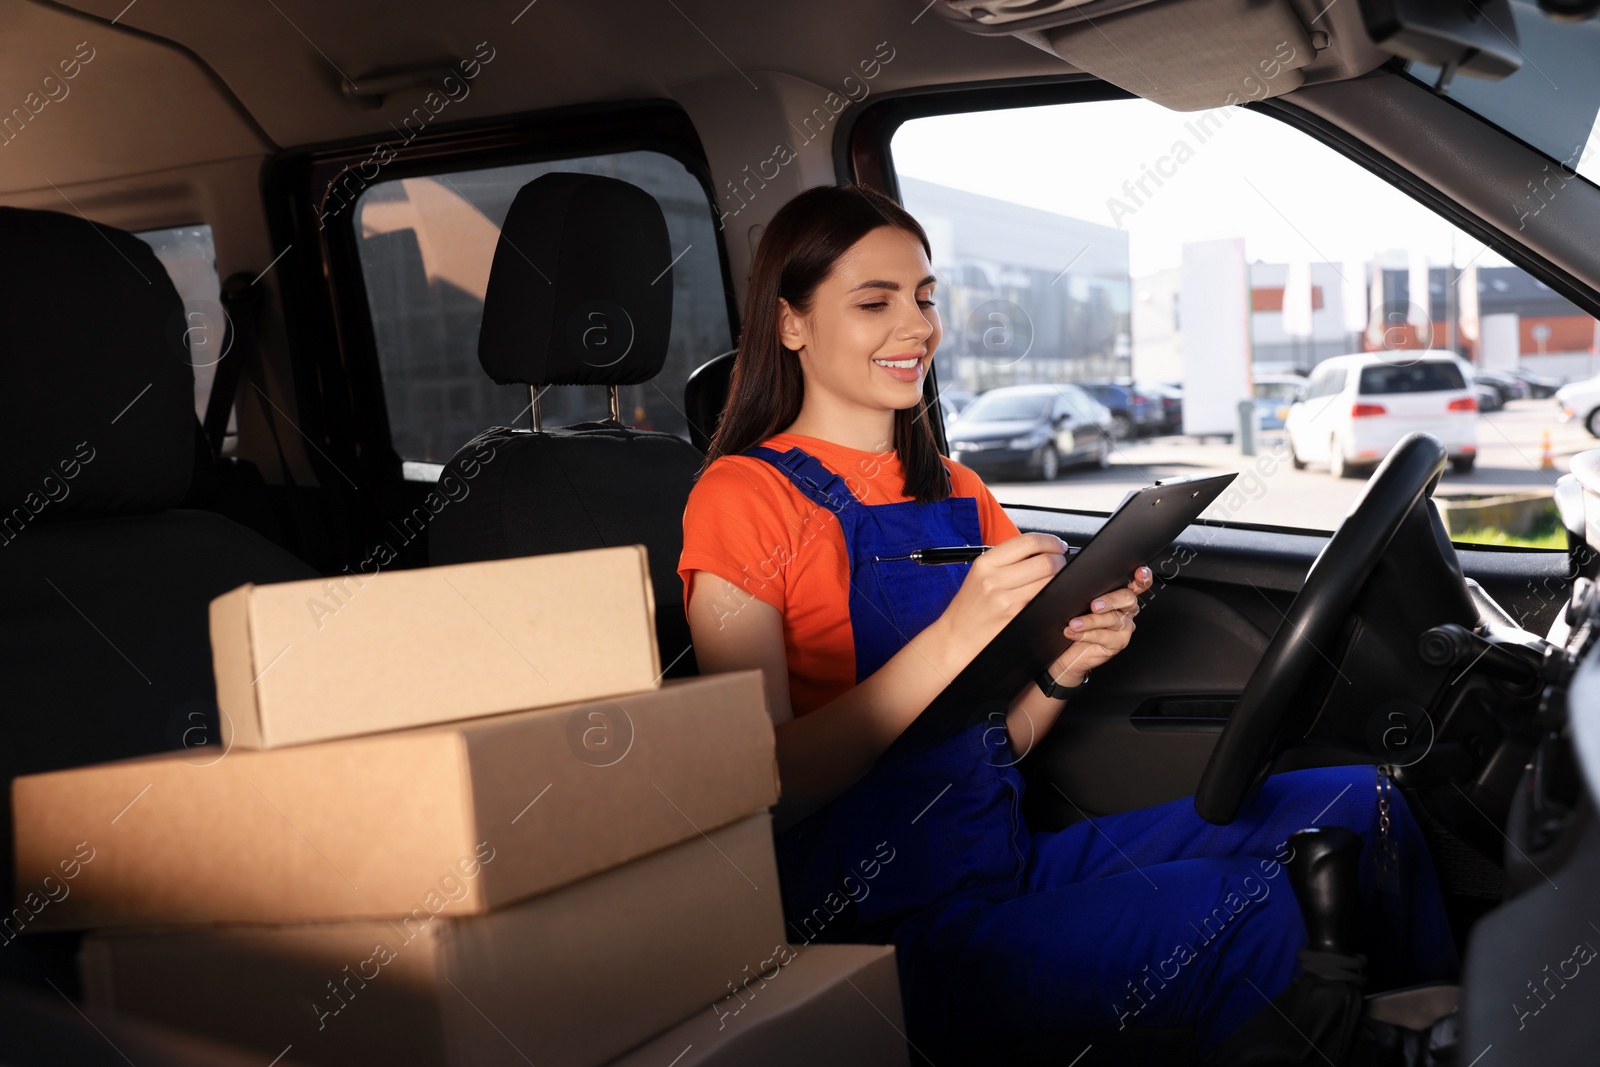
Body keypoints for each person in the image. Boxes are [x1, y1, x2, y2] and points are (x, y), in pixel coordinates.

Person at [677, 183, 1457, 1061]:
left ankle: (1435, 1030)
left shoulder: (956, 489)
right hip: (877, 923)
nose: (918, 326)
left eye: (926, 297)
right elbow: (761, 787)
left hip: (996, 862)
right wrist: (955, 633)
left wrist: (1065, 670)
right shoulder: (742, 497)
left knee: (1359, 801)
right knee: (1260, 916)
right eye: (875, 301)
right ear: (791, 324)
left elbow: (982, 746)